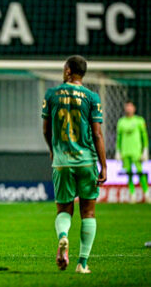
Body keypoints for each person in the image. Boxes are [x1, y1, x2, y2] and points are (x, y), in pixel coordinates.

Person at [42, 55, 106, 274]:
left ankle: (63, 237)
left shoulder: (51, 94)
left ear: (69, 71)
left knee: (64, 210)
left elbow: (45, 130)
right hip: (86, 161)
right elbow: (97, 135)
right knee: (88, 212)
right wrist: (104, 166)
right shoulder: (92, 97)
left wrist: (53, 150)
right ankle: (83, 264)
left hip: (61, 162)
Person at [115, 100, 149, 203]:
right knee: (129, 174)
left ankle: (146, 194)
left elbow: (144, 136)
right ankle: (132, 195)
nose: (128, 109)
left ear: (134, 108)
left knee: (140, 173)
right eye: (127, 106)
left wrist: (145, 150)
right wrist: (118, 151)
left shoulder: (139, 121)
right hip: (125, 152)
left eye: (130, 106)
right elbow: (119, 137)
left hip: (136, 152)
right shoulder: (121, 122)